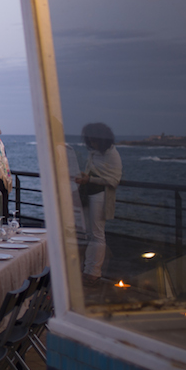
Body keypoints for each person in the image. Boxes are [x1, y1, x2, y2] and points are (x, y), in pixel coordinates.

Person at [76, 122, 122, 285]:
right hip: (90, 194)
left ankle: (94, 272)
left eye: (93, 140)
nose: (92, 143)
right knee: (91, 234)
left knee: (97, 234)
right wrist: (85, 177)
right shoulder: (95, 153)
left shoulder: (111, 154)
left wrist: (90, 179)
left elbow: (113, 179)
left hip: (100, 196)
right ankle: (89, 270)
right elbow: (93, 173)